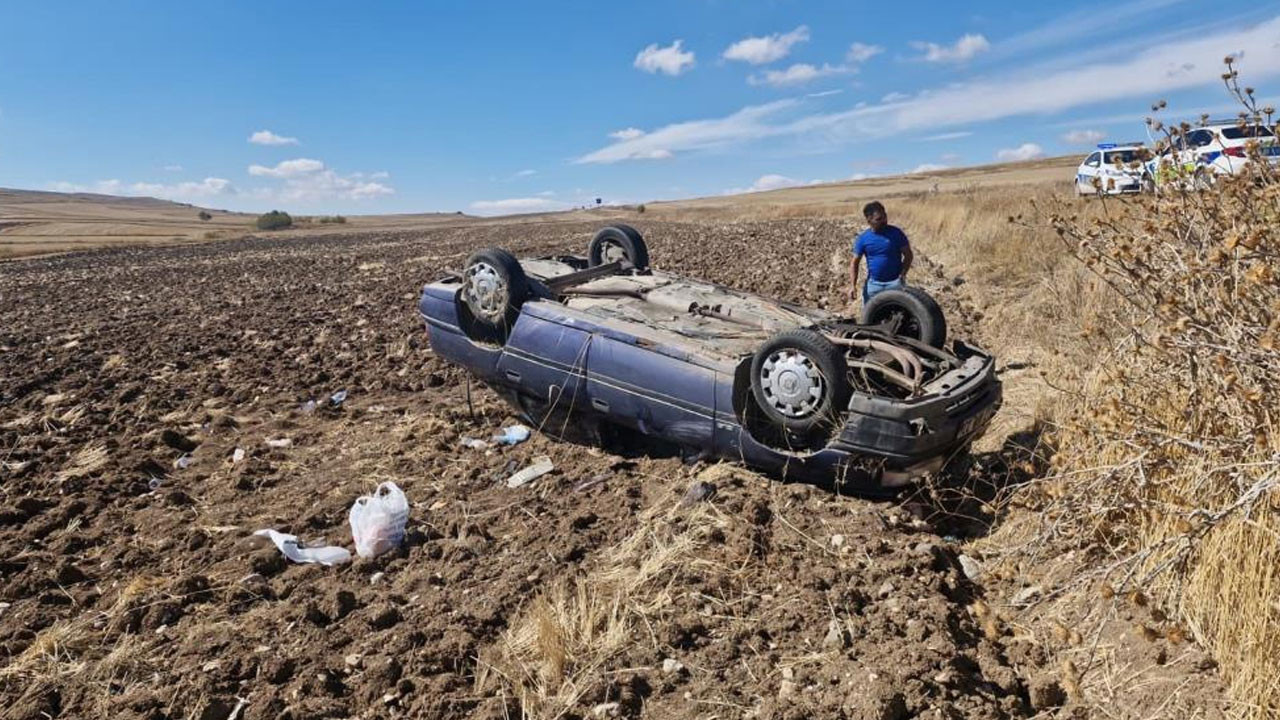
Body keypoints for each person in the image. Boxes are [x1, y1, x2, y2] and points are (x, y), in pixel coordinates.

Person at [849, 200, 913, 305]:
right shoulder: (863, 238)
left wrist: (902, 274)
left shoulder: (896, 233)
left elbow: (908, 255)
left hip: (895, 284)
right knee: (869, 318)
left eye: (885, 217)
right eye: (879, 219)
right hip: (873, 286)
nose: (884, 221)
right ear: (869, 220)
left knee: (899, 315)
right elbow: (854, 262)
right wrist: (853, 286)